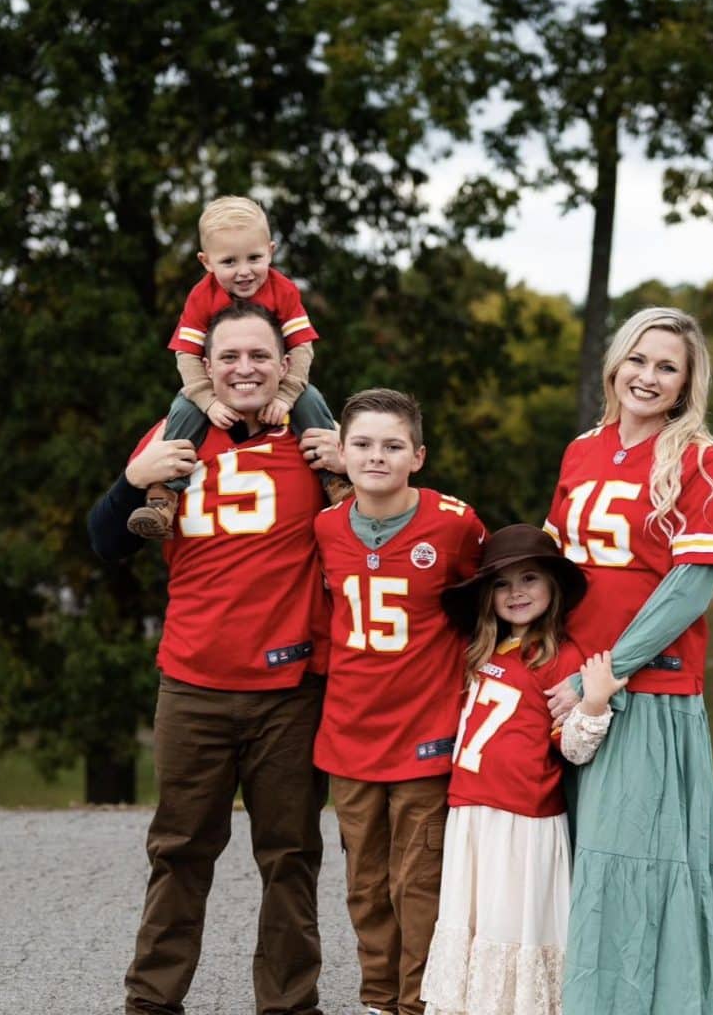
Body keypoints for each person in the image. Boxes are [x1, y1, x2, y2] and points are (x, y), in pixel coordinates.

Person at [88, 300, 331, 1015]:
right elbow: (105, 543)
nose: (245, 369)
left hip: (289, 687)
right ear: (206, 368)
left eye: (260, 355)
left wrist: (349, 462)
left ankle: (289, 1005)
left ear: (285, 366)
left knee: (289, 857)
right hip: (193, 684)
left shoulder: (316, 444)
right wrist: (133, 480)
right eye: (230, 357)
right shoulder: (176, 437)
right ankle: (153, 1002)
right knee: (179, 852)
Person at [543, 306, 713, 1014]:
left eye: (667, 367)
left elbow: (690, 587)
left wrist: (606, 671)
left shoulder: (702, 461)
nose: (647, 377)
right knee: (570, 866)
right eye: (639, 359)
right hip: (565, 686)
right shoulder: (581, 449)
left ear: (688, 385)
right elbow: (551, 569)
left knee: (630, 871)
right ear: (615, 362)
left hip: (646, 691)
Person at [312, 388, 487, 1015]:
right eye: (361, 444)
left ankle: (420, 1002)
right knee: (365, 884)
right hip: (350, 733)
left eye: (392, 446)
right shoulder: (326, 528)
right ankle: (378, 999)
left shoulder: (454, 522)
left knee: (419, 882)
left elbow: (487, 605)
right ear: (340, 451)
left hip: (426, 728)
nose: (376, 456)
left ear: (418, 455)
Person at [421, 525, 626, 1015]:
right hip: (471, 814)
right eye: (501, 584)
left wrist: (594, 702)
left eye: (529, 579)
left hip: (525, 823)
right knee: (474, 925)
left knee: (513, 927)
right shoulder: (481, 648)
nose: (515, 593)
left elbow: (575, 749)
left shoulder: (559, 657)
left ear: (553, 588)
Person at [127, 195, 348, 539]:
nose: (244, 271)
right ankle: (164, 496)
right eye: (229, 261)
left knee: (312, 400)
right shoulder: (202, 296)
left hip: (282, 385)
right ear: (206, 262)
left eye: (255, 258)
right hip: (211, 389)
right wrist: (208, 401)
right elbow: (186, 356)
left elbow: (302, 347)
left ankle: (334, 480)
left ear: (271, 251)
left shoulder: (283, 290)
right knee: (183, 408)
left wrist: (287, 395)